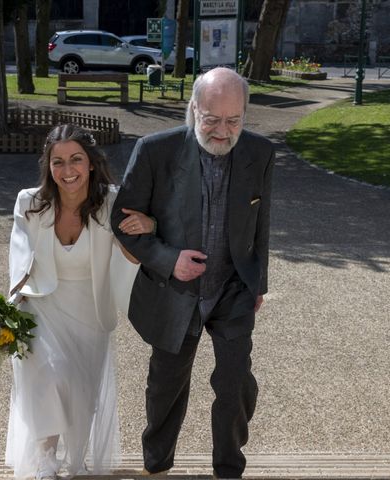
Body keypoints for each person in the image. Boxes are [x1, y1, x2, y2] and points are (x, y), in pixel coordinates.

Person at [110, 67, 275, 479]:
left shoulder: (261, 153)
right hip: (174, 289)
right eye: (212, 119)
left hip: (233, 286)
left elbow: (262, 223)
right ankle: (157, 464)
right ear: (193, 109)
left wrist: (260, 283)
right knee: (166, 386)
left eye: (234, 120)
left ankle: (228, 469)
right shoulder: (154, 150)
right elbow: (121, 221)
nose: (223, 131)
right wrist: (168, 259)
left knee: (236, 382)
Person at [5, 124, 154, 480]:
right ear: (48, 165)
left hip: (90, 307)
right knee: (48, 375)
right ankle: (45, 459)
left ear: (90, 163)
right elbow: (20, 257)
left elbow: (135, 251)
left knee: (81, 391)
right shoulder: (30, 202)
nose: (67, 170)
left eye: (76, 160)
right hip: (42, 303)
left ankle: (74, 458)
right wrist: (8, 307)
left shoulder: (112, 201)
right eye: (58, 162)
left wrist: (148, 225)